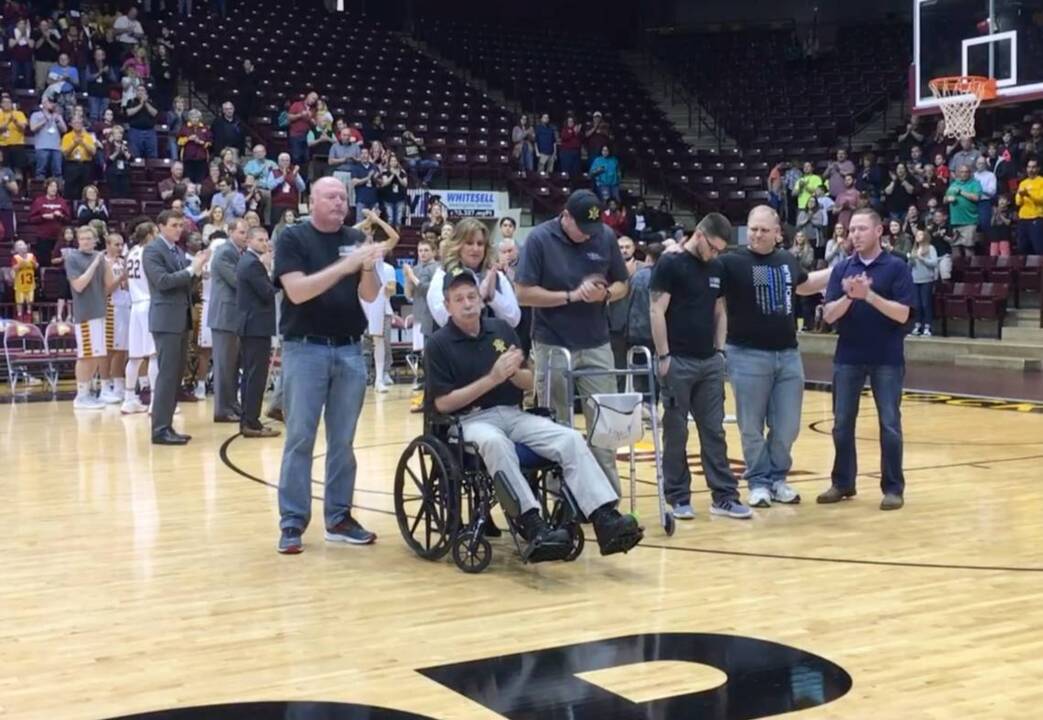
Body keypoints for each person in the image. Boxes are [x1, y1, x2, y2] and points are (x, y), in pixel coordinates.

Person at [425, 269, 643, 560]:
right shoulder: (439, 344)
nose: (467, 304)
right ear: (447, 305)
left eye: (472, 296)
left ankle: (604, 517)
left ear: (481, 299)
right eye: (459, 299)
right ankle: (533, 522)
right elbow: (442, 405)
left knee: (568, 438)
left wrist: (515, 374)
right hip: (467, 421)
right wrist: (492, 378)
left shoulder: (500, 329)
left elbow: (529, 382)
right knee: (494, 443)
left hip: (512, 413)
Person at [273, 177, 386, 555]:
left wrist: (367, 266)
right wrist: (346, 265)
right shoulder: (292, 238)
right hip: (304, 350)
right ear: (312, 201)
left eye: (344, 197)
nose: (340, 202)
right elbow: (297, 290)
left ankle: (338, 518)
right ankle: (292, 522)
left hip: (350, 349)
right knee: (300, 438)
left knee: (343, 442)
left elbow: (368, 295)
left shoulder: (356, 237)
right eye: (331, 196)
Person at [713, 206, 831, 509]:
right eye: (753, 229)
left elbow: (803, 285)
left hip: (788, 354)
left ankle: (778, 478)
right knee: (751, 426)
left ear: (778, 233)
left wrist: (839, 271)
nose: (757, 234)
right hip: (746, 355)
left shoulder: (786, 260)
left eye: (764, 230)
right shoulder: (730, 262)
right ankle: (759, 481)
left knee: (788, 425)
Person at [514, 189, 629, 492]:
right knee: (557, 424)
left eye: (593, 229)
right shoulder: (539, 239)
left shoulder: (603, 235)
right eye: (582, 229)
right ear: (565, 217)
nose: (588, 236)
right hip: (553, 342)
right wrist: (570, 296)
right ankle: (561, 493)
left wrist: (605, 294)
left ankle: (606, 497)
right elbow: (523, 293)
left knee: (604, 423)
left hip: (596, 342)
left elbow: (622, 284)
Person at [650, 213, 751, 519]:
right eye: (714, 247)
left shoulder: (717, 267)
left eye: (721, 250)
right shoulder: (670, 264)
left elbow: (720, 311)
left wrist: (720, 351)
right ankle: (678, 497)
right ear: (700, 235)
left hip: (709, 360)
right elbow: (656, 310)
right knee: (676, 431)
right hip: (677, 360)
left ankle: (724, 496)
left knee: (714, 431)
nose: (716, 254)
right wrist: (664, 355)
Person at [819, 208, 915, 510]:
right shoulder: (842, 268)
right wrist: (849, 296)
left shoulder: (897, 267)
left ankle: (893, 488)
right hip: (848, 356)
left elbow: (903, 314)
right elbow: (829, 315)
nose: (854, 235)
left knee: (889, 424)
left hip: (887, 358)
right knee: (842, 423)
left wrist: (869, 295)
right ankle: (843, 482)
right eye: (851, 230)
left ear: (878, 231)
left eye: (861, 229)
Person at [143, 210, 210, 444]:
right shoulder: (152, 250)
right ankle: (159, 429)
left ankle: (167, 426)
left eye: (181, 225)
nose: (178, 229)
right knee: (167, 375)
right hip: (165, 319)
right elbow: (162, 282)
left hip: (180, 318)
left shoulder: (178, 251)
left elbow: (185, 285)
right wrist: (192, 269)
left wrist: (198, 271)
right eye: (173, 225)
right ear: (160, 226)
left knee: (175, 375)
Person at [427, 217, 521, 330]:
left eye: (480, 244)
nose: (475, 249)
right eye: (469, 243)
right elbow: (443, 318)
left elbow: (514, 319)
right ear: (458, 245)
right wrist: (479, 296)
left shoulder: (496, 276)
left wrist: (493, 297)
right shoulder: (443, 274)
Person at [65, 225, 117, 409]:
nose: (86, 242)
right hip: (85, 313)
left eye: (89, 238)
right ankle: (81, 395)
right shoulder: (72, 258)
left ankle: (90, 392)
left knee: (96, 355)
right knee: (85, 356)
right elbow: (78, 285)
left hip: (100, 311)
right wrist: (95, 265)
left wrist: (108, 263)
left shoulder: (99, 258)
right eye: (82, 238)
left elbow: (109, 285)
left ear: (95, 240)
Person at [236, 226, 280, 438]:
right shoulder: (253, 263)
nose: (265, 243)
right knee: (256, 376)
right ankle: (251, 423)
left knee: (251, 376)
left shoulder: (249, 261)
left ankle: (249, 420)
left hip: (252, 325)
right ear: (250, 241)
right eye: (260, 240)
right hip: (255, 326)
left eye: (266, 239)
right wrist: (270, 270)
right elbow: (267, 292)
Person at [208, 218, 248, 422]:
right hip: (224, 316)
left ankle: (232, 404)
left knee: (232, 364)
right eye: (241, 232)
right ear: (230, 232)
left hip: (234, 316)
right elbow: (236, 280)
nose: (245, 236)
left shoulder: (236, 252)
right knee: (224, 365)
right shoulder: (225, 252)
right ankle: (222, 409)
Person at [356, 209, 400, 392]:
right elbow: (344, 231)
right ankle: (359, 376)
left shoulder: (377, 249)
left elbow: (394, 237)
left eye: (369, 229)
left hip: (377, 296)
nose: (366, 231)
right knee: (358, 340)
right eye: (364, 230)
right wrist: (364, 221)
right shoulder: (353, 249)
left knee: (379, 339)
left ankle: (380, 378)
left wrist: (377, 220)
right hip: (357, 296)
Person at [123, 221, 157, 415]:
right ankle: (154, 400)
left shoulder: (132, 252)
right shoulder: (149, 253)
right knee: (154, 354)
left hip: (135, 304)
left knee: (135, 356)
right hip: (148, 302)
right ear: (150, 235)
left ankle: (129, 399)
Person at [101, 232, 131, 403]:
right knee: (108, 350)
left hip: (125, 307)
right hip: (111, 308)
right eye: (116, 244)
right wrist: (122, 277)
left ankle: (119, 386)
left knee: (122, 350)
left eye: (121, 244)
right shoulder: (103, 263)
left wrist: (126, 280)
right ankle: (105, 386)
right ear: (108, 245)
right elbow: (106, 290)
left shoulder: (122, 262)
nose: (120, 248)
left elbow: (126, 286)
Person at [944, 164, 982, 259]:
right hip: (955, 222)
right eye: (962, 172)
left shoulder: (975, 184)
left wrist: (961, 192)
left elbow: (976, 198)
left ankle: (971, 271)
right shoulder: (953, 184)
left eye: (966, 172)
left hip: (969, 222)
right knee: (955, 248)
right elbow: (944, 199)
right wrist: (948, 199)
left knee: (968, 248)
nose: (964, 174)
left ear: (970, 173)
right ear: (958, 173)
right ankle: (959, 272)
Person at [908, 228, 938, 337]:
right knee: (917, 304)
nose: (917, 236)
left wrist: (922, 259)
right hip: (915, 280)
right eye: (917, 235)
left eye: (920, 235)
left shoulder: (931, 248)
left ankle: (927, 327)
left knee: (926, 304)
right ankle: (917, 325)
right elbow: (909, 266)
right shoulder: (914, 249)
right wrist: (910, 260)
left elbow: (934, 263)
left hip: (926, 280)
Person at [1015, 159, 1043, 255]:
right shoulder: (1023, 183)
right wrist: (1022, 196)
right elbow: (1018, 202)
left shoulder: (1041, 182)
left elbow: (1041, 199)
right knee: (1022, 247)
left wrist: (1028, 195)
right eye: (1029, 167)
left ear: (1038, 168)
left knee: (1038, 247)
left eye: (1033, 167)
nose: (1031, 169)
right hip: (1023, 218)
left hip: (1036, 218)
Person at [11, 240, 38, 323]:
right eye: (19, 245)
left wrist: (33, 263)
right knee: (20, 302)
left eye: (23, 244)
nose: (22, 246)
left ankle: (29, 317)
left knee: (29, 301)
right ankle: (19, 316)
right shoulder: (15, 258)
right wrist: (20, 264)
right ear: (16, 249)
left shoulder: (31, 256)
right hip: (19, 285)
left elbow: (36, 266)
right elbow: (13, 269)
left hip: (30, 284)